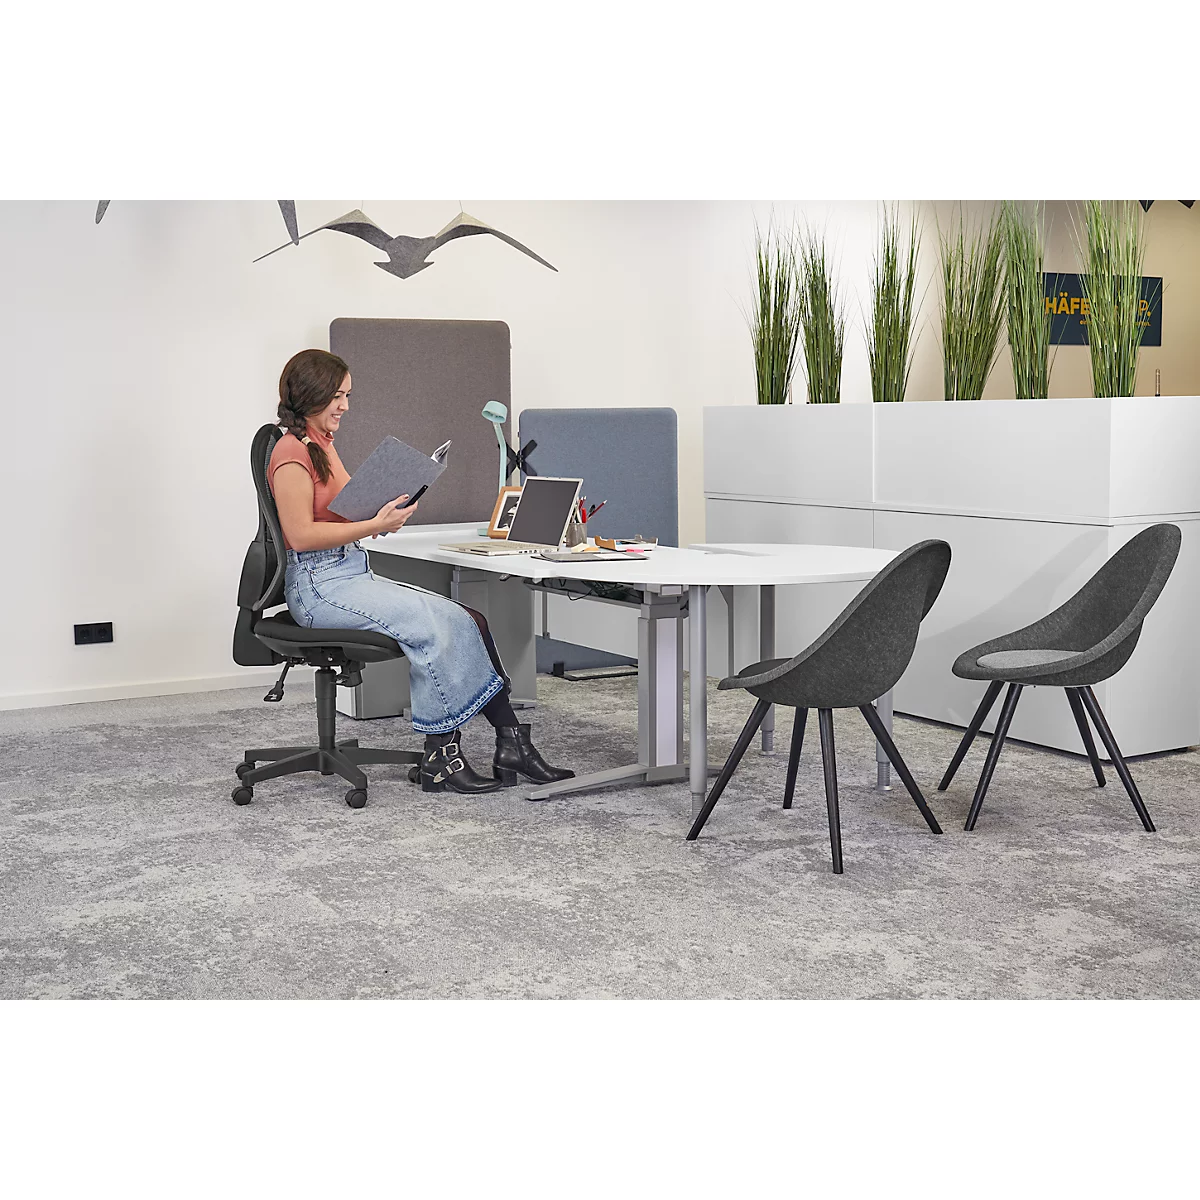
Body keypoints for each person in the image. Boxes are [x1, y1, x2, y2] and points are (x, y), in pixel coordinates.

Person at [268, 348, 574, 795]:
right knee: (432, 628)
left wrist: (386, 511)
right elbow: (298, 536)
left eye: (348, 395)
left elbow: (340, 511)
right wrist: (374, 524)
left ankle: (513, 743)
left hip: (347, 572)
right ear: (313, 394)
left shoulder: (322, 445)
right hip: (319, 587)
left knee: (468, 618)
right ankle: (440, 759)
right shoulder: (291, 453)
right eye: (338, 396)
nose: (346, 406)